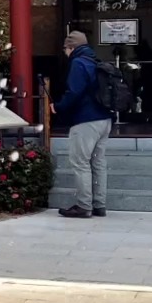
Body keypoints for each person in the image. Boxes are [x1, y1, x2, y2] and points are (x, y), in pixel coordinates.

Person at [53, 29, 110, 219]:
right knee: (98, 162)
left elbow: (74, 92)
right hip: (105, 119)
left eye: (65, 49)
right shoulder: (95, 61)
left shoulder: (78, 63)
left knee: (81, 162)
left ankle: (84, 206)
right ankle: (99, 205)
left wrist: (58, 106)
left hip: (86, 120)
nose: (65, 53)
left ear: (71, 47)